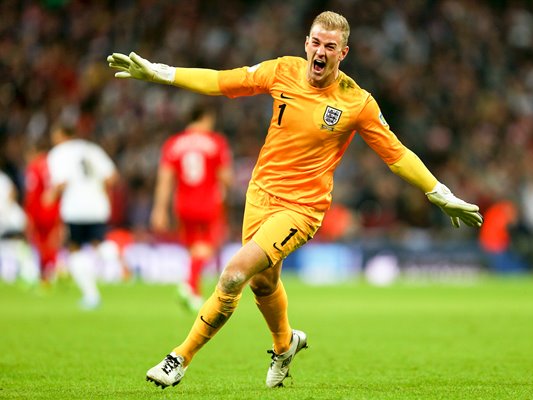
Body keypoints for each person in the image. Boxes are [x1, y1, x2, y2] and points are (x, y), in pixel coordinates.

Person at [108, 10, 483, 389]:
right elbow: (222, 81)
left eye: (330, 47)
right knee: (262, 284)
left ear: (343, 53)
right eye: (316, 43)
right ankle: (285, 345)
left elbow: (396, 154)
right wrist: (160, 72)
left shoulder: (357, 102)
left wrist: (439, 193)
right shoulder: (282, 71)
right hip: (260, 194)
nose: (320, 51)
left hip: (301, 209)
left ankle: (179, 358)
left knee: (235, 274)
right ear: (307, 44)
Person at [150, 104, 233, 311]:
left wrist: (159, 209)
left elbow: (165, 179)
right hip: (207, 202)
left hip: (183, 203)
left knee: (193, 248)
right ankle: (188, 286)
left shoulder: (173, 143)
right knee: (206, 247)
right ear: (205, 117)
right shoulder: (215, 142)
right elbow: (226, 176)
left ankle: (194, 293)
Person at [46, 123, 118, 309]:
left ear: (62, 135)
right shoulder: (92, 149)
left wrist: (50, 195)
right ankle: (116, 262)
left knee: (75, 249)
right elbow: (112, 177)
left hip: (75, 208)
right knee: (99, 242)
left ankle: (91, 296)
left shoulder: (58, 153)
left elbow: (60, 183)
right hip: (97, 206)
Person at [24, 137, 63, 284]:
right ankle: (50, 273)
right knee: (52, 243)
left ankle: (45, 276)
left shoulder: (34, 167)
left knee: (40, 244)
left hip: (39, 211)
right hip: (55, 210)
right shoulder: (54, 163)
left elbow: (32, 193)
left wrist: (29, 215)